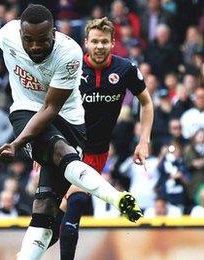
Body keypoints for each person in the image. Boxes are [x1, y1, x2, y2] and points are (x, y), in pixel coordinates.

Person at [0, 5, 142, 260]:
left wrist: (16, 144)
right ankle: (115, 198)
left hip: (68, 120)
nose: (35, 46)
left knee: (46, 209)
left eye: (42, 40)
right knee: (61, 152)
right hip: (26, 111)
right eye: (29, 40)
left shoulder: (69, 53)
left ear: (54, 33)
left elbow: (51, 107)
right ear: (21, 34)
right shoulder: (11, 33)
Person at [58, 17, 154, 260]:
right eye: (94, 42)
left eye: (104, 42)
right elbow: (50, 105)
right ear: (86, 43)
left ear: (112, 43)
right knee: (70, 207)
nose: (99, 46)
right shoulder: (72, 68)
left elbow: (147, 103)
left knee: (66, 211)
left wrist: (144, 141)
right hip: (67, 146)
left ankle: (28, 254)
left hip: (97, 152)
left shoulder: (126, 69)